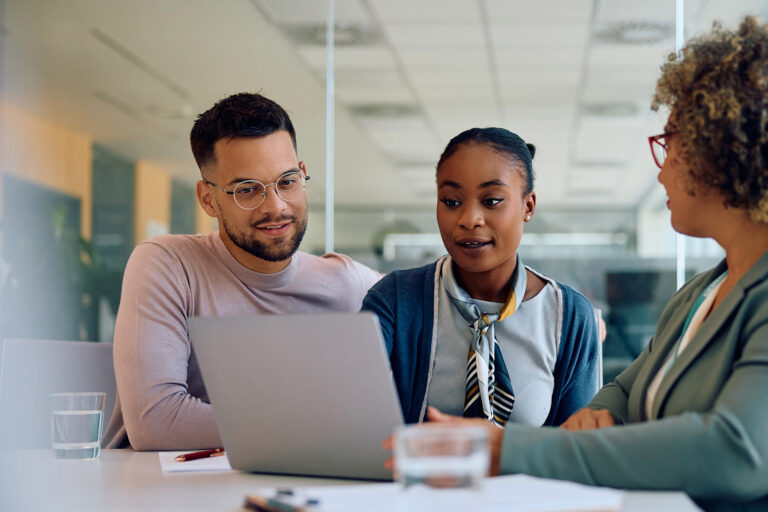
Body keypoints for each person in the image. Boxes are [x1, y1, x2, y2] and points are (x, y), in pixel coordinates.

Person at [391, 17, 768, 512]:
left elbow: (737, 452)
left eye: (670, 142)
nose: (662, 168)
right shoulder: (699, 294)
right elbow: (624, 390)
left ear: (721, 149)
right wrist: (606, 413)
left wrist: (509, 447)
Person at [104, 93, 382, 450]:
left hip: (288, 486)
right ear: (208, 200)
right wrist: (323, 423)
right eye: (248, 190)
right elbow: (157, 422)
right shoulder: (167, 265)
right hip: (158, 492)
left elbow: (438, 304)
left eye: (287, 181)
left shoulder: (346, 283)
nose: (276, 206)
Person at [363, 127, 600, 428]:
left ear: (528, 206)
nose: (469, 219)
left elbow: (575, 449)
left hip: (525, 475)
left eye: (491, 201)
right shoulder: (395, 299)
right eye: (451, 201)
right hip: (422, 473)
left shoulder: (570, 316)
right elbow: (356, 419)